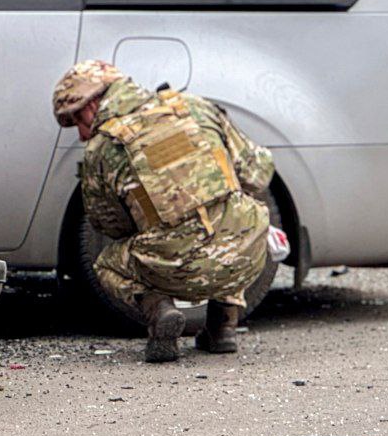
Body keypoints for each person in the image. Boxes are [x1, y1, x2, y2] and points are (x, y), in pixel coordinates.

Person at [52, 60, 274, 363]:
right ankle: (223, 327)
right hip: (249, 254)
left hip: (179, 267)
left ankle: (160, 312)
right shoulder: (194, 107)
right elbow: (258, 172)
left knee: (106, 263)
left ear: (91, 103)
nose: (80, 134)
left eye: (76, 119)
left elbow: (110, 226)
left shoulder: (102, 148)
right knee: (232, 217)